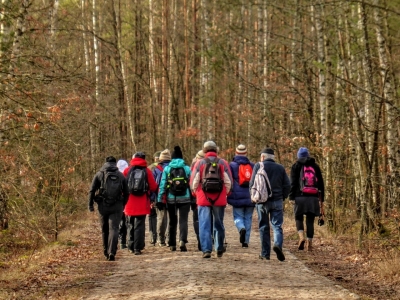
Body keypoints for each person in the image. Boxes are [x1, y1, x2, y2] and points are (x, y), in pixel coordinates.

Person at [190, 141, 232, 258]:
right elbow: (229, 182)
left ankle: (206, 250)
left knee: (204, 224)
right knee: (218, 223)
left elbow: (194, 181)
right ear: (216, 150)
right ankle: (219, 247)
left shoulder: (200, 163)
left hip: (203, 198)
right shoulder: (223, 163)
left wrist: (195, 193)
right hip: (219, 198)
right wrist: (225, 193)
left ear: (204, 151)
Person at [249, 148, 290, 261]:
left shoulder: (258, 166)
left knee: (263, 227)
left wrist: (253, 197)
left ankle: (265, 253)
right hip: (277, 201)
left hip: (262, 202)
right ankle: (277, 245)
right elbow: (287, 185)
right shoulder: (280, 168)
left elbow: (252, 183)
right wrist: (283, 197)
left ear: (262, 157)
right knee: (277, 226)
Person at [88, 156, 129, 261]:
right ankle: (112, 252)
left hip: (103, 205)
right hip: (117, 206)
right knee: (114, 228)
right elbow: (127, 192)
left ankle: (106, 251)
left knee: (104, 229)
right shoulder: (120, 175)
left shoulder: (99, 174)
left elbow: (92, 190)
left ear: (105, 163)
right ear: (115, 164)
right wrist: (123, 203)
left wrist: (90, 205)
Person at [288, 147, 325, 251]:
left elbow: (293, 183)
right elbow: (321, 184)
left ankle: (301, 237)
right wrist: (321, 200)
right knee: (310, 220)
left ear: (298, 156)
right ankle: (310, 244)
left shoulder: (296, 166)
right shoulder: (315, 166)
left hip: (299, 197)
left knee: (298, 217)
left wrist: (291, 196)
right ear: (308, 155)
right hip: (313, 197)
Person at [157, 146, 192, 252]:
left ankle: (172, 244)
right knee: (183, 220)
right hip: (185, 198)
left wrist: (159, 199)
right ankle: (182, 241)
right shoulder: (186, 168)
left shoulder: (167, 169)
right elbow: (191, 184)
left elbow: (162, 185)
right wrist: (194, 198)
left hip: (171, 198)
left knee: (172, 221)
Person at [123, 152, 158, 255]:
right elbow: (153, 186)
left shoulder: (127, 170)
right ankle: (137, 248)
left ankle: (130, 246)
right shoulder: (146, 171)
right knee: (139, 224)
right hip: (142, 201)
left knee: (130, 224)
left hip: (129, 201)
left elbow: (122, 185)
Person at [227, 144, 255, 248]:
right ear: (246, 153)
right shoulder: (252, 165)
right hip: (250, 196)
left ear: (236, 152)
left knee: (238, 216)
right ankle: (245, 241)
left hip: (237, 197)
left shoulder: (232, 165)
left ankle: (241, 228)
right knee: (248, 217)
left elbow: (229, 180)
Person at [152, 149, 171, 246]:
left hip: (160, 197)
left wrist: (152, 198)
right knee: (172, 218)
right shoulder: (173, 168)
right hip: (172, 196)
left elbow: (153, 186)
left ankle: (161, 239)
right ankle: (170, 239)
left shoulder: (156, 169)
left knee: (161, 218)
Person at [190, 150, 205, 251]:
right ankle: (209, 238)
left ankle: (200, 238)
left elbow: (192, 182)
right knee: (208, 218)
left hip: (197, 196)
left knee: (197, 218)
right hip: (211, 195)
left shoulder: (195, 165)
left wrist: (193, 193)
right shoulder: (215, 162)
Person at [148, 151, 162, 245]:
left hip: (151, 196)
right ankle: (162, 236)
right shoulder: (163, 167)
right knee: (161, 217)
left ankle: (153, 236)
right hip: (161, 195)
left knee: (152, 216)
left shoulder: (149, 168)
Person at [117, 159, 129, 249]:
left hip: (116, 202)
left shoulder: (115, 175)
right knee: (125, 222)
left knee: (119, 221)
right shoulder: (127, 175)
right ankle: (123, 242)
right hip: (125, 201)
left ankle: (118, 239)